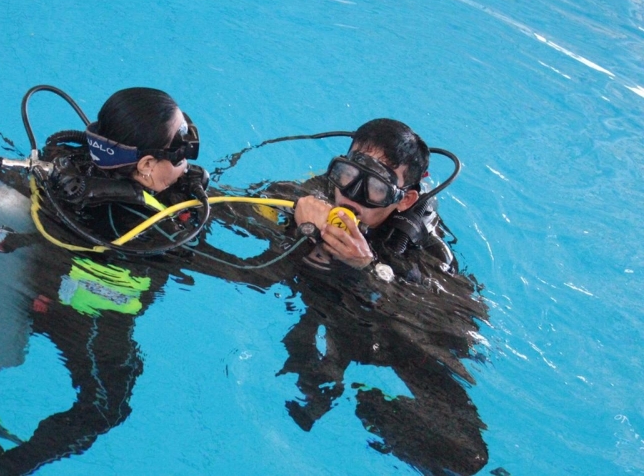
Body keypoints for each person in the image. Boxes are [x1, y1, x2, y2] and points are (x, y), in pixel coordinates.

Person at [0, 87, 207, 475]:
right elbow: (233, 267)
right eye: (182, 147)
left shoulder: (69, 168)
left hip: (23, 278)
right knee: (105, 408)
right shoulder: (147, 226)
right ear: (144, 164)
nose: (189, 156)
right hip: (83, 317)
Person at [183, 118, 490, 475]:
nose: (352, 197)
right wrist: (292, 221)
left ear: (404, 199)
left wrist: (368, 269)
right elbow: (223, 206)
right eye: (347, 176)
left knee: (466, 457)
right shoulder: (303, 198)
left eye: (376, 189)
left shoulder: (427, 253)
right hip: (319, 307)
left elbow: (459, 331)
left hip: (388, 335)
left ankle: (373, 405)